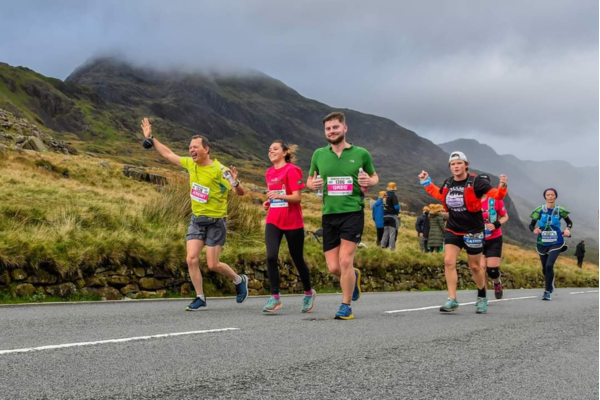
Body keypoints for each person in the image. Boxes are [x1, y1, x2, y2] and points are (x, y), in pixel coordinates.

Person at [140, 118, 248, 311]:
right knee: (191, 259)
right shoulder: (191, 164)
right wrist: (151, 138)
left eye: (195, 147)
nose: (191, 150)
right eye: (190, 147)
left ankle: (239, 280)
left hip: (216, 222)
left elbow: (239, 193)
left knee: (213, 264)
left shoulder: (219, 170)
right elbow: (168, 154)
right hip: (197, 220)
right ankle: (200, 297)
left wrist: (235, 182)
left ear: (206, 149)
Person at [307, 111, 379, 320]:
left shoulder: (361, 153)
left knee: (346, 261)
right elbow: (310, 180)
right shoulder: (318, 154)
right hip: (329, 214)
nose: (332, 131)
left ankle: (345, 306)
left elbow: (374, 177)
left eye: (335, 127)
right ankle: (353, 277)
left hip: (352, 213)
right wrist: (313, 185)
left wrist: (369, 181)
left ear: (344, 128)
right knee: (333, 267)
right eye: (328, 128)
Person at [419, 151, 508, 314]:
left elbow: (495, 195)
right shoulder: (448, 183)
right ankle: (452, 299)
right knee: (448, 262)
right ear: (450, 167)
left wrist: (502, 187)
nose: (456, 166)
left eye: (459, 163)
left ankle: (482, 295)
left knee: (474, 266)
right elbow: (440, 195)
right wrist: (426, 183)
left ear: (466, 165)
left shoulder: (476, 181)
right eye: (453, 164)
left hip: (473, 230)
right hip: (453, 228)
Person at [261, 140, 316, 313]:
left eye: (275, 149)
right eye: (269, 149)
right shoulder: (269, 172)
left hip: (292, 221)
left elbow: (297, 198)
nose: (271, 152)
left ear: (284, 152)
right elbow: (275, 196)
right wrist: (269, 202)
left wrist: (279, 196)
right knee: (271, 256)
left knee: (297, 258)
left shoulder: (292, 170)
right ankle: (274, 297)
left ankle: (308, 292)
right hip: (273, 220)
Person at [529, 188, 573, 300]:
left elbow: (569, 222)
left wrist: (567, 230)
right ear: (545, 197)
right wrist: (534, 230)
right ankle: (550, 282)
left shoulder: (560, 210)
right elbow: (531, 225)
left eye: (552, 194)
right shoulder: (539, 210)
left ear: (555, 196)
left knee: (549, 265)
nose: (550, 196)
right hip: (542, 242)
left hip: (557, 241)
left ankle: (547, 291)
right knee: (545, 268)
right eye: (548, 195)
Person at [478, 174, 509, 300]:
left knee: (492, 270)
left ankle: (497, 283)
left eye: (485, 184)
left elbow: (505, 216)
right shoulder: (472, 200)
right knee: (480, 269)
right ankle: (482, 296)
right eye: (480, 184)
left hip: (494, 238)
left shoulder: (495, 199)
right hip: (477, 238)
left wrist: (496, 224)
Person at [381, 182, 400, 250]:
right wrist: (397, 212)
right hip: (392, 216)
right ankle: (392, 248)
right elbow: (397, 207)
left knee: (385, 232)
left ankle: (382, 246)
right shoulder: (393, 196)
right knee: (392, 233)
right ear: (394, 189)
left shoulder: (385, 195)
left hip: (385, 216)